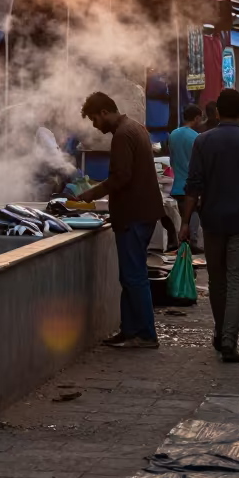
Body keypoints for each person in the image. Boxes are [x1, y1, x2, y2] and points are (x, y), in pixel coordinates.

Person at [180, 88, 239, 362]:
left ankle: (222, 333)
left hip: (212, 221)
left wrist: (186, 222)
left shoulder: (203, 141)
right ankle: (229, 339)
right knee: (237, 281)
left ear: (218, 112)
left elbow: (193, 186)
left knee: (217, 280)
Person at [81, 92, 163, 349]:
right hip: (141, 213)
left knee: (134, 276)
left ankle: (146, 334)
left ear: (105, 112)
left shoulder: (123, 135)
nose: (95, 125)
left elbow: (121, 177)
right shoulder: (134, 128)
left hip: (133, 215)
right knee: (130, 276)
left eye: (95, 119)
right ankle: (130, 331)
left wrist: (90, 194)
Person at [167, 104, 203, 249]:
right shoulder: (197, 138)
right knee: (193, 212)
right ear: (197, 118)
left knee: (181, 216)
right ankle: (192, 242)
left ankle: (181, 243)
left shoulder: (173, 135)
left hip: (176, 185)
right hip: (191, 185)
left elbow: (171, 159)